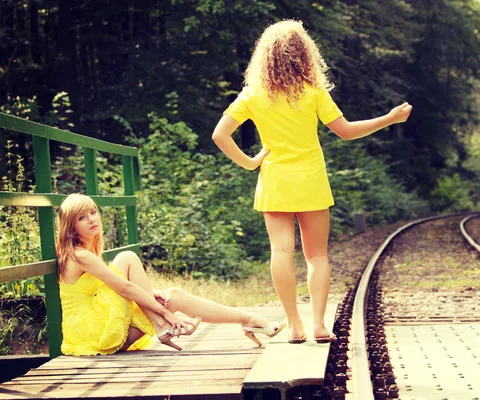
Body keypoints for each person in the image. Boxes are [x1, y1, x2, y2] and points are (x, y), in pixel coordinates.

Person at [212, 20, 413, 343]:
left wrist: (250, 163)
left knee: (280, 251)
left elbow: (219, 135)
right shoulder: (313, 93)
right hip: (311, 180)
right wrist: (389, 118)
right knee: (316, 255)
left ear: (265, 57)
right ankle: (319, 325)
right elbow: (346, 131)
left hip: (275, 180)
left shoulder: (253, 95)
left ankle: (294, 325)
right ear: (305, 54)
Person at [55, 193, 285, 356]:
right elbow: (123, 288)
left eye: (93, 212)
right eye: (82, 218)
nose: (92, 220)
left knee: (172, 294)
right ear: (71, 226)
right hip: (93, 332)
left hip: (98, 324)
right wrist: (167, 313)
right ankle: (163, 324)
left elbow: (109, 285)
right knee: (127, 258)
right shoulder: (79, 254)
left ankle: (249, 320)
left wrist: (149, 293)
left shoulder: (85, 251)